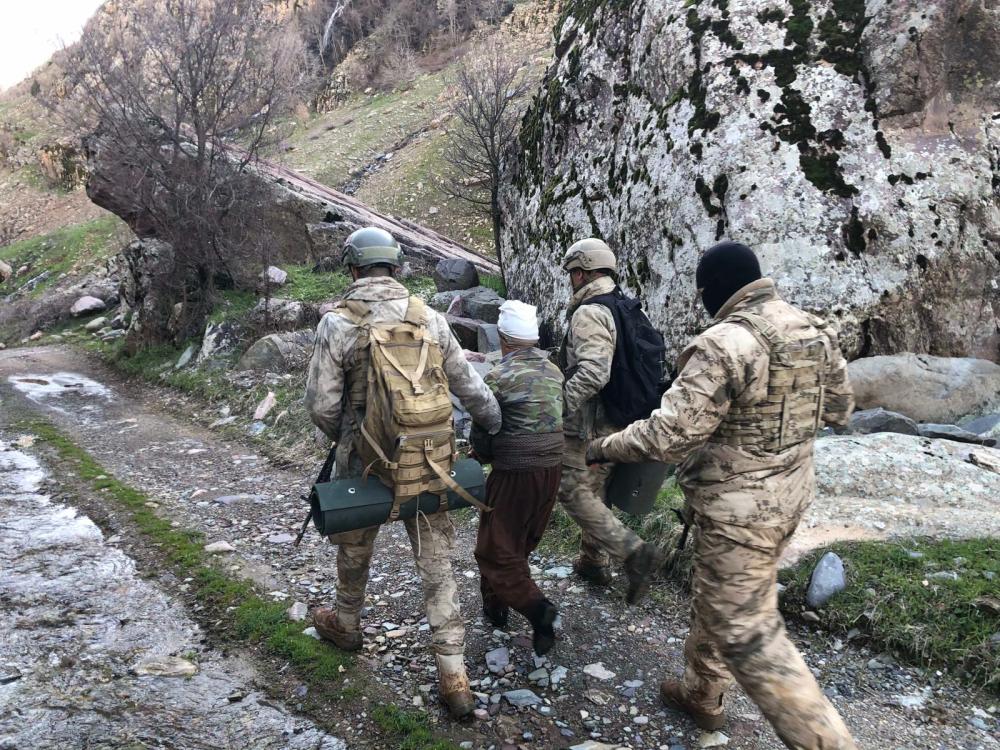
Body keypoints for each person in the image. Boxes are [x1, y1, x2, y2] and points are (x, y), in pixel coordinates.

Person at [586, 241, 858, 749]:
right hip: (792, 494)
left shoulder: (726, 342)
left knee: (749, 634)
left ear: (712, 291)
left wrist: (603, 446)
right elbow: (840, 408)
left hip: (739, 513)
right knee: (723, 591)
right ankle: (701, 692)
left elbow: (670, 435)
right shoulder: (814, 329)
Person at [304, 227, 502, 718]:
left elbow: (321, 405)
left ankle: (347, 623)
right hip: (431, 458)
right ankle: (454, 675)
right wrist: (495, 426)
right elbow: (470, 387)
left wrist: (349, 437)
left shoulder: (337, 324)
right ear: (396, 266)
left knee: (354, 546)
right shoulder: (429, 317)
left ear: (352, 267)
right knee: (437, 562)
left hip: (365, 459)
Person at [557, 237, 663, 603]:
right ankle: (592, 560)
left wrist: (558, 406)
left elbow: (592, 373)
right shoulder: (626, 307)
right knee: (597, 486)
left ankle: (633, 552)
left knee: (572, 489)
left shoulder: (590, 312)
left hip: (592, 423)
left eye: (572, 272)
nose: (570, 279)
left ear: (583, 271)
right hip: (624, 417)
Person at [470, 300, 565, 655]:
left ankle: (539, 611)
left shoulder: (498, 376)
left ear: (504, 339)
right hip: (551, 470)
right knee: (517, 542)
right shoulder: (555, 372)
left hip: (515, 472)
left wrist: (480, 455)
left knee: (494, 550)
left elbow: (484, 429)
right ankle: (494, 607)